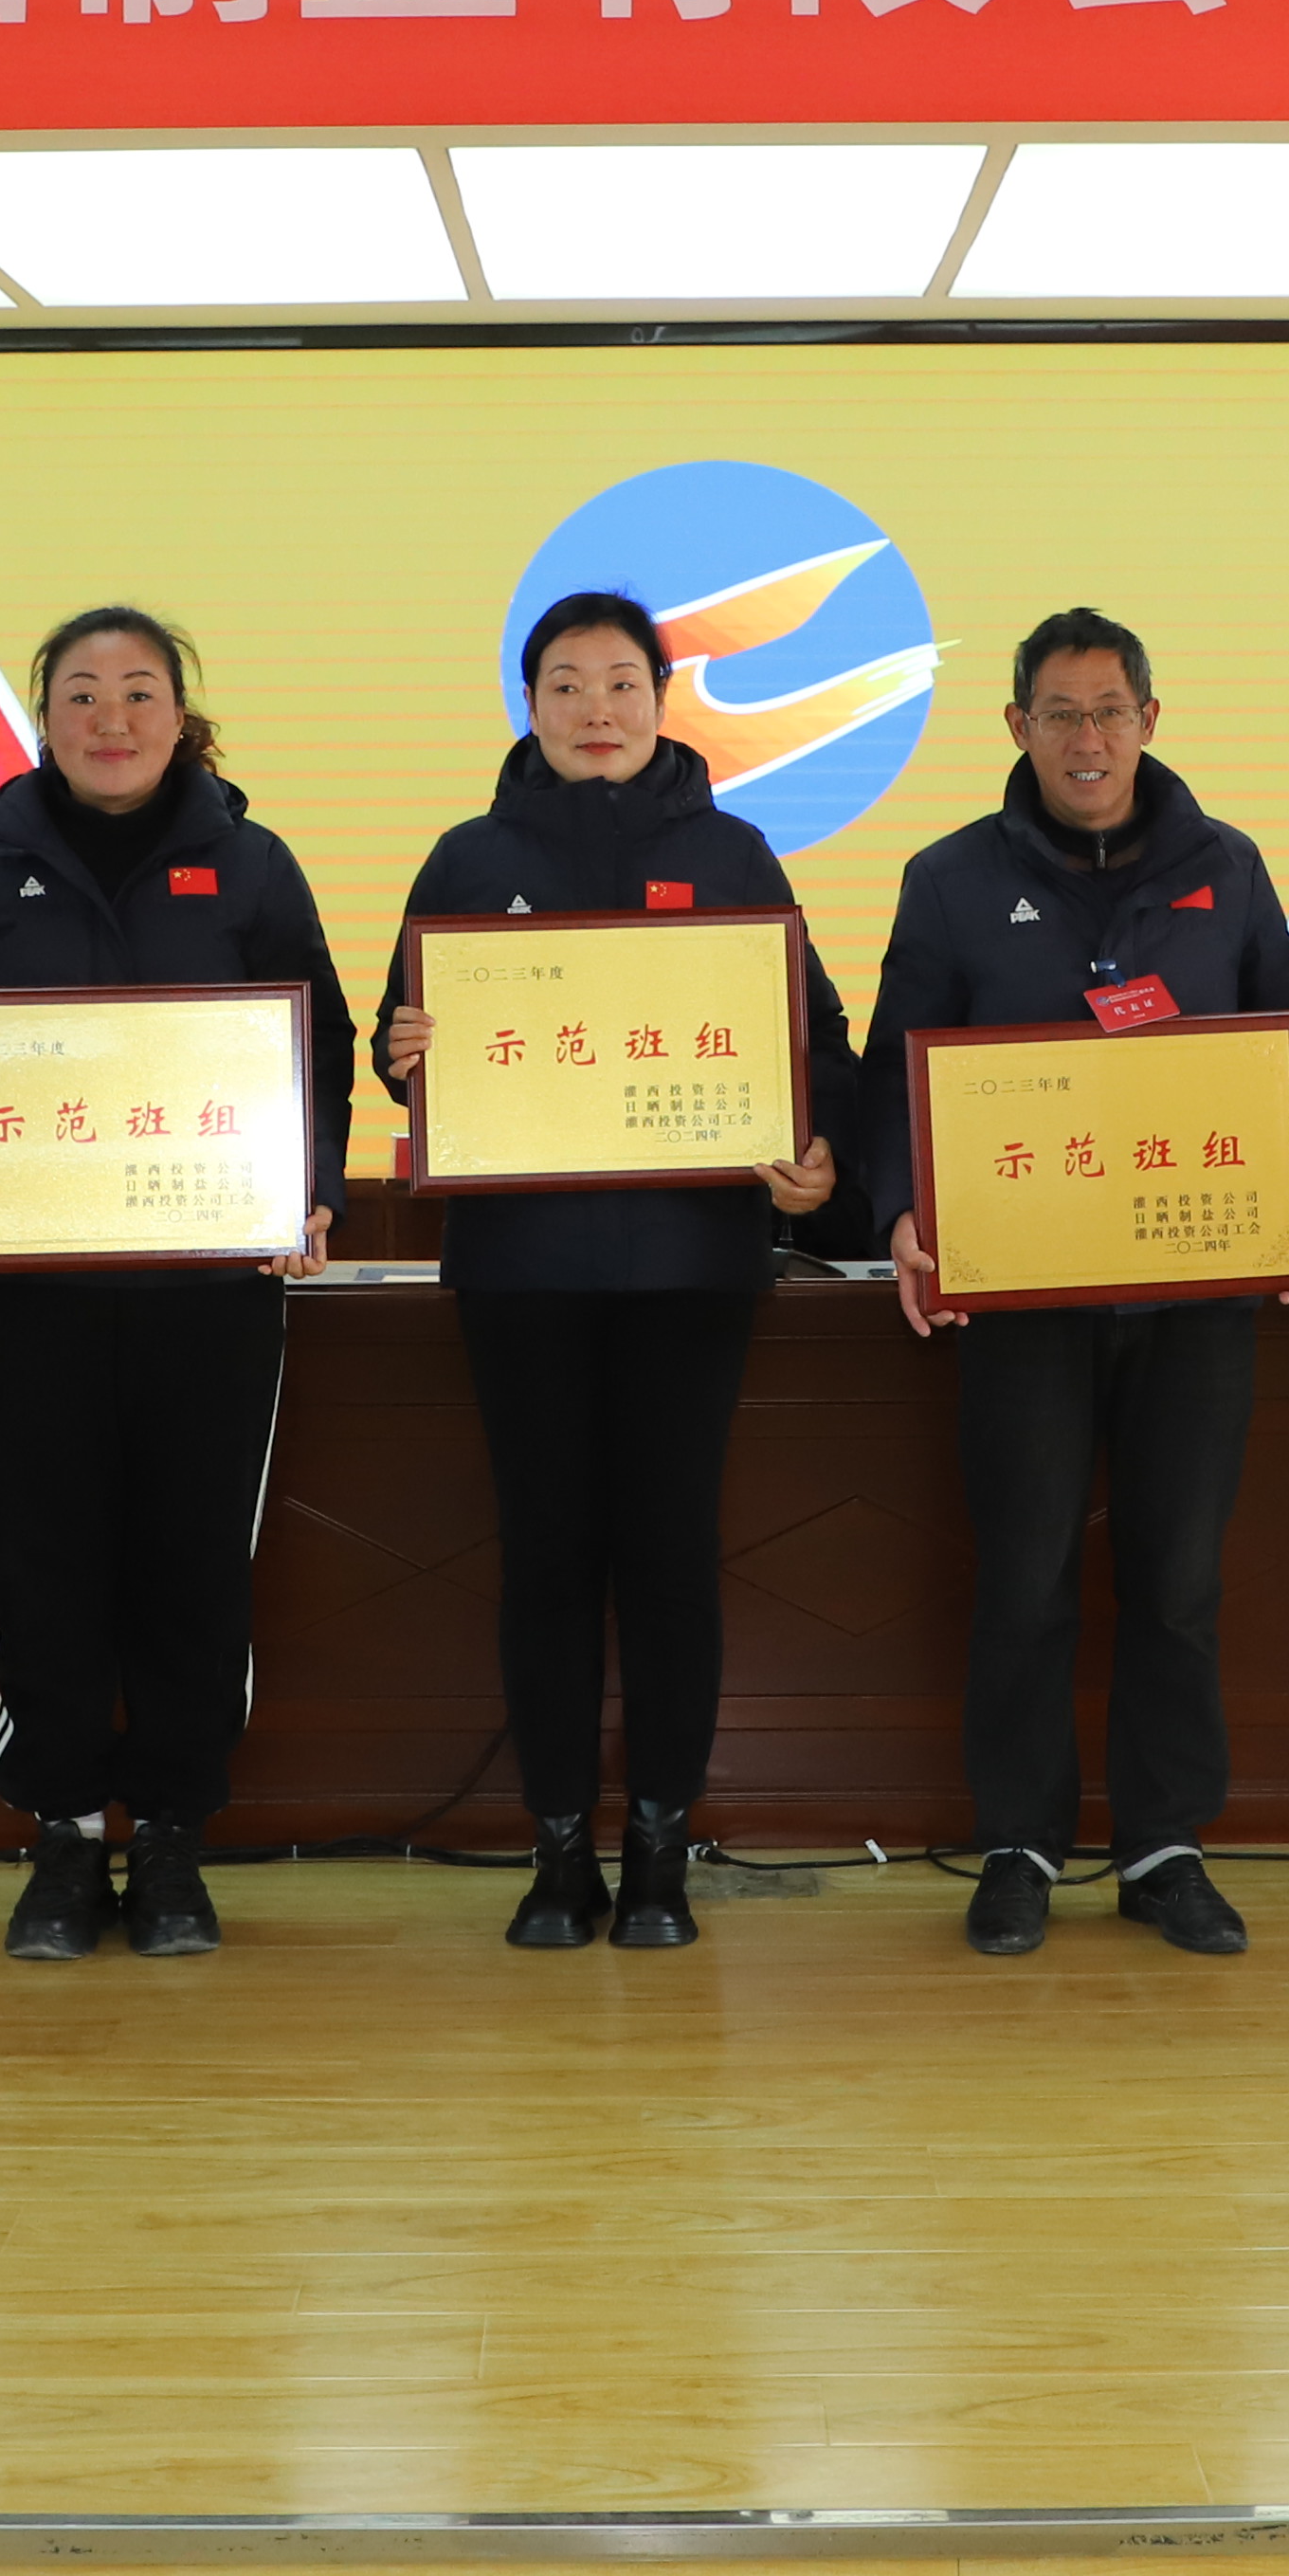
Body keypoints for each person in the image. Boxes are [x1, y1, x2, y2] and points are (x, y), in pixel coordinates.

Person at [863, 606, 1289, 1962]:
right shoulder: (950, 880)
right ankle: (1018, 1843)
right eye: (1060, 714)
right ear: (1017, 728)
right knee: (1024, 1578)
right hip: (1020, 1296)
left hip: (1193, 1293)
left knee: (1178, 1577)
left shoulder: (1226, 867)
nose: (1088, 738)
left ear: (1150, 719)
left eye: (1110, 711)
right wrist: (903, 1208)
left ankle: (1162, 1844)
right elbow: (897, 1067)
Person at [375, 592, 857, 1953]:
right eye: (569, 684)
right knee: (544, 1554)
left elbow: (815, 1041)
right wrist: (405, 1054)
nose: (598, 708)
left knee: (667, 1554)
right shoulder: (469, 857)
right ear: (530, 704)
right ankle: (554, 1851)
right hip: (521, 1270)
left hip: (690, 1267)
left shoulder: (733, 853)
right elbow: (400, 1046)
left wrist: (817, 1150)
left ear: (661, 699)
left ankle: (657, 1849)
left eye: (624, 682)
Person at [0, 606, 355, 1964]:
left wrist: (308, 1189)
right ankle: (64, 1834)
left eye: (139, 691)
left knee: (194, 1565)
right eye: (81, 693)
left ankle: (175, 1838)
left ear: (180, 714)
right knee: (43, 1566)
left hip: (210, 1295)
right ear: (43, 719)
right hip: (24, 1298)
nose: (111, 717)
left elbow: (316, 1047)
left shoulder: (251, 863)